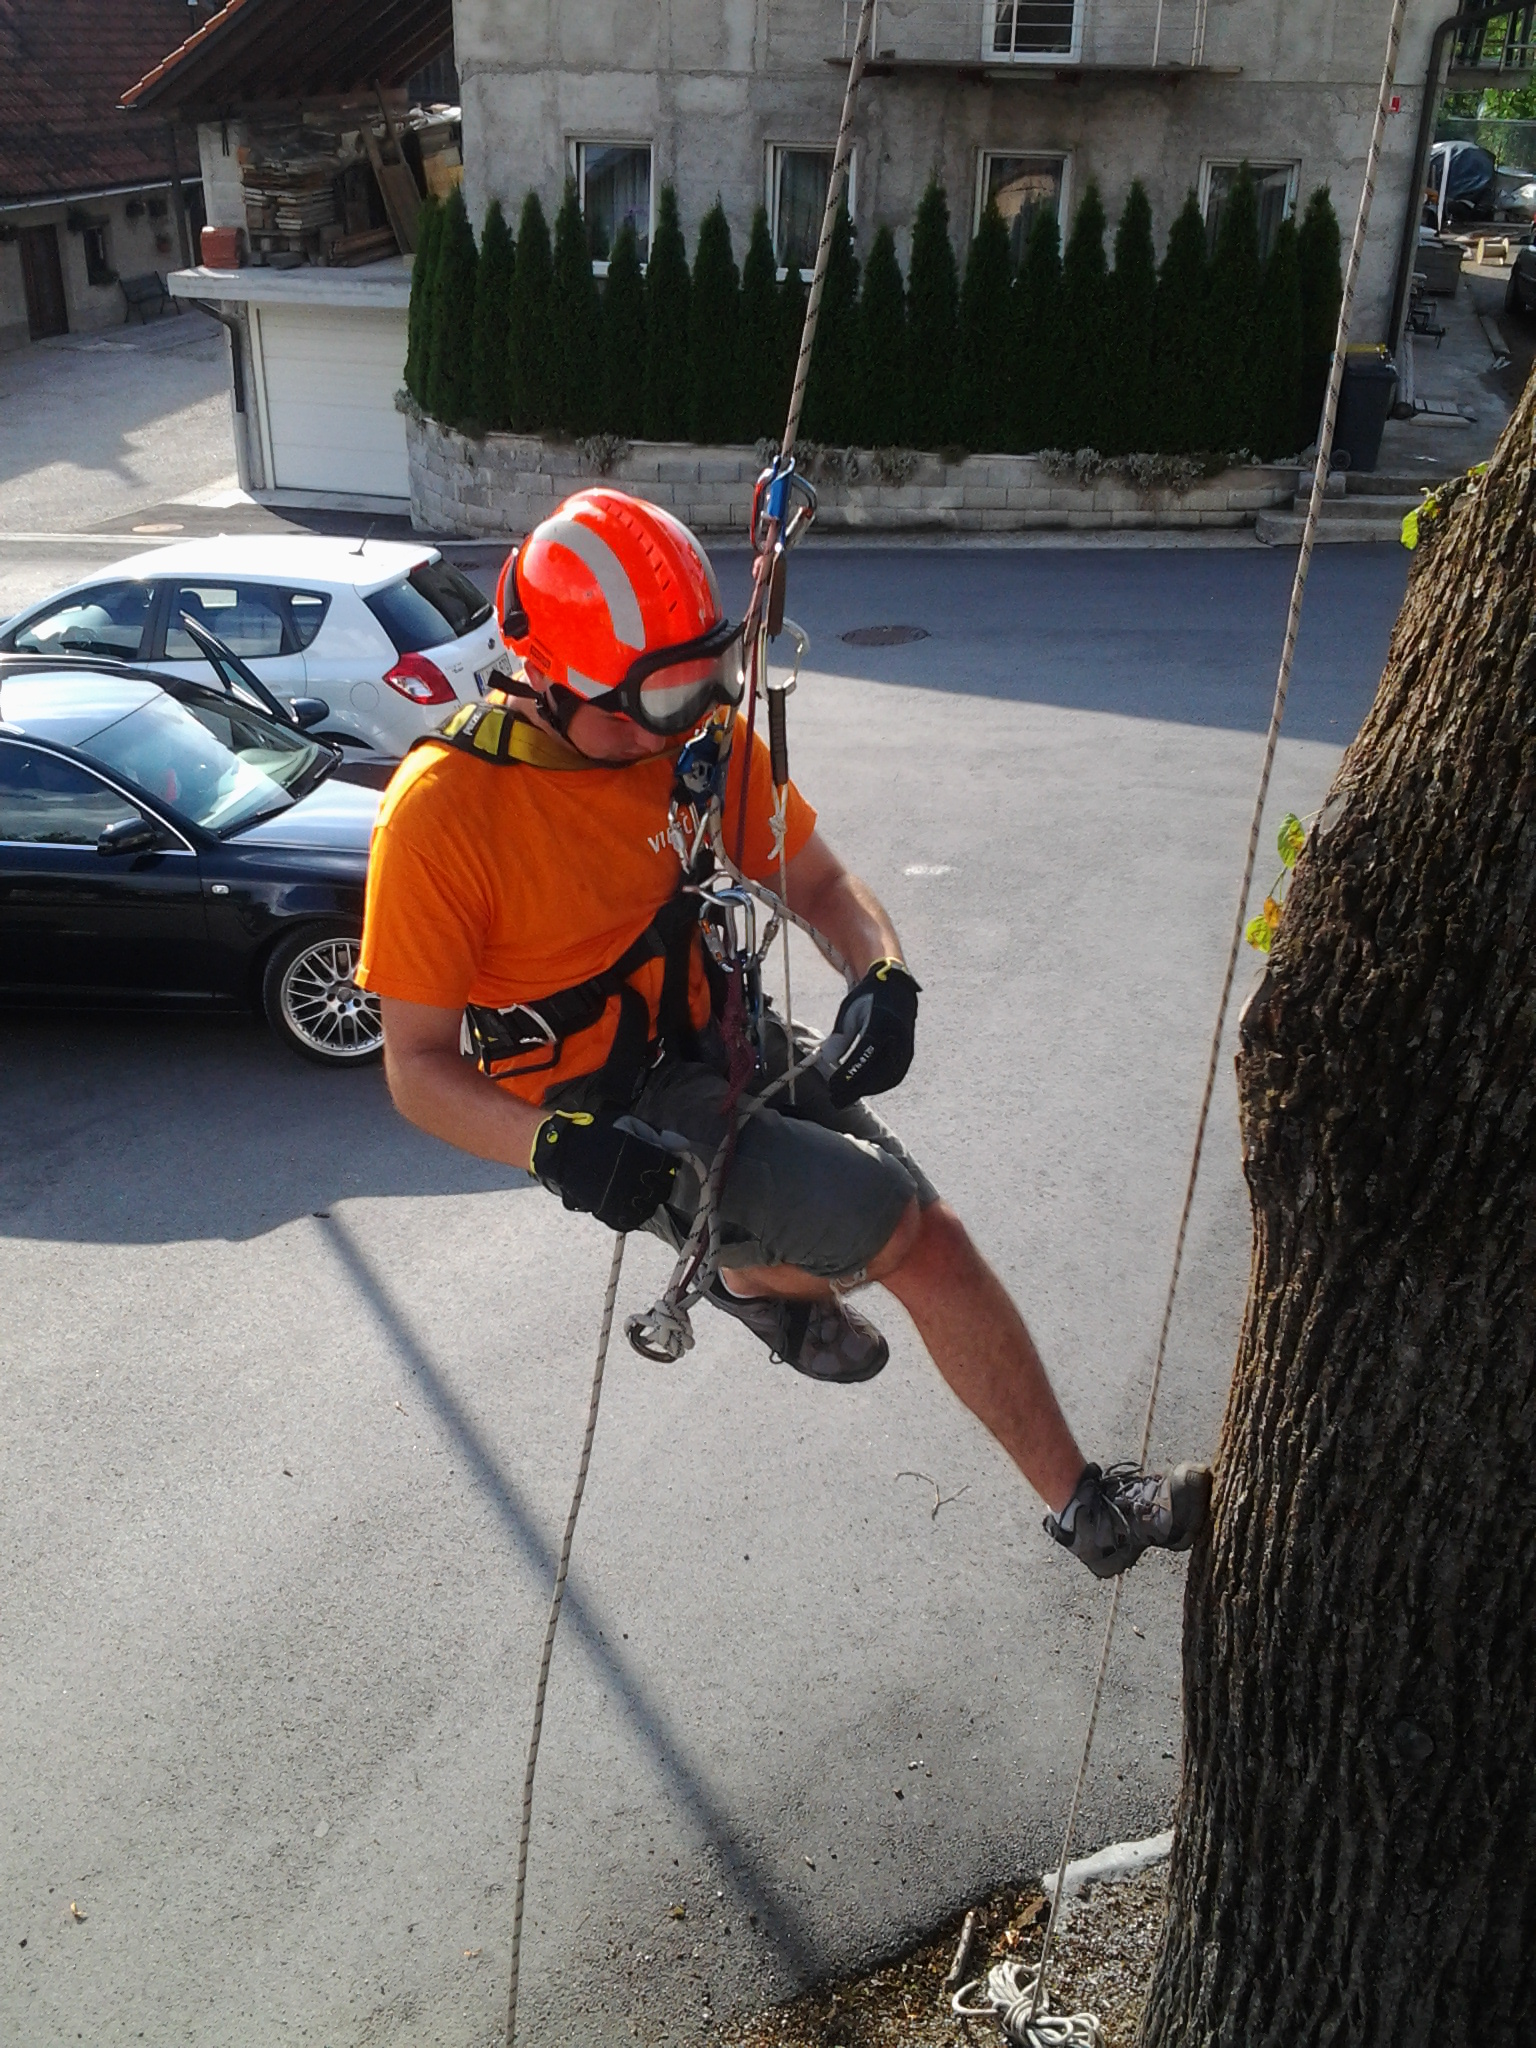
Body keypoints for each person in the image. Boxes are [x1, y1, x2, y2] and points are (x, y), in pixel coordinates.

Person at [354, 488, 1209, 1578]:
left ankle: (1068, 1498)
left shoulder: (691, 736)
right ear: (543, 680)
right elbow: (416, 1068)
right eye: (646, 703)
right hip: (614, 1110)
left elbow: (820, 883)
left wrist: (882, 973)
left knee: (929, 1232)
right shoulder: (444, 815)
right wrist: (553, 1146)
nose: (671, 728)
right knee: (901, 1229)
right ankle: (767, 1289)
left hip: (717, 1032)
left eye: (691, 688)